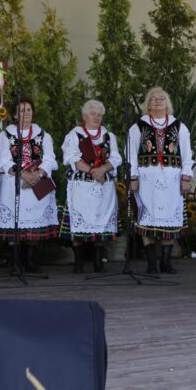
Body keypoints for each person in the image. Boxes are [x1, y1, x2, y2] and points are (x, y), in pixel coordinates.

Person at [128, 87, 194, 275]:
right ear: (148, 105)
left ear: (167, 103)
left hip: (172, 181)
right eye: (153, 99)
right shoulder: (137, 127)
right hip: (146, 181)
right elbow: (131, 154)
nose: (157, 101)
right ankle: (151, 263)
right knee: (146, 219)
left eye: (161, 98)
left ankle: (165, 261)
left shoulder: (179, 126)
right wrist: (133, 177)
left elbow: (187, 155)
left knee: (170, 219)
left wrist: (186, 177)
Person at [0, 98, 59, 271]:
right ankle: (16, 260)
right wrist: (24, 175)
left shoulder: (43, 134)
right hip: (14, 183)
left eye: (29, 109)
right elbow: (3, 160)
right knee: (15, 222)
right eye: (22, 110)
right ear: (15, 115)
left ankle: (30, 260)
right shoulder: (6, 135)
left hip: (38, 182)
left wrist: (38, 174)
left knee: (34, 222)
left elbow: (50, 158)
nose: (26, 113)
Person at [61, 100, 121, 273]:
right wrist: (93, 171)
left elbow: (115, 158)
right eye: (93, 114)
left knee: (101, 221)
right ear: (84, 116)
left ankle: (98, 261)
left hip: (104, 187)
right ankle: (78, 262)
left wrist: (102, 169)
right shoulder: (75, 134)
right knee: (79, 222)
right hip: (81, 186)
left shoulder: (108, 135)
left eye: (99, 114)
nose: (96, 117)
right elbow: (71, 157)